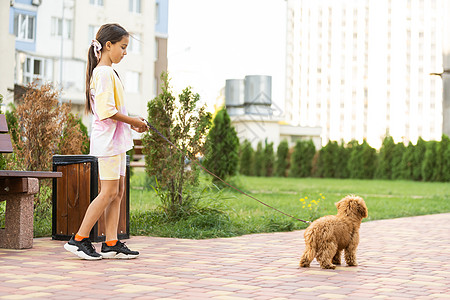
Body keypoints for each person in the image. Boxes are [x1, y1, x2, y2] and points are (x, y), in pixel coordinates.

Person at [64, 23, 148, 260]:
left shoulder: (109, 72)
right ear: (108, 46)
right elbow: (106, 111)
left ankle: (111, 242)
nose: (125, 52)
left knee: (118, 191)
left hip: (117, 141)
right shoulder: (102, 73)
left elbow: (113, 110)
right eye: (122, 47)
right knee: (108, 191)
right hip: (108, 143)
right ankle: (79, 239)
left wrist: (132, 121)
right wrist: (132, 119)